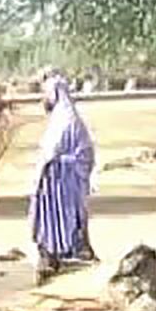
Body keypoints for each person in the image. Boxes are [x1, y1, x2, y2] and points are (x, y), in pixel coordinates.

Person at [29, 73, 95, 282]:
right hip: (54, 179)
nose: (44, 99)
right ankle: (52, 253)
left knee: (65, 217)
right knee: (48, 217)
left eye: (47, 94)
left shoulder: (67, 120)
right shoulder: (60, 118)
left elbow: (81, 152)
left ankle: (64, 253)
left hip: (64, 179)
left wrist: (58, 164)